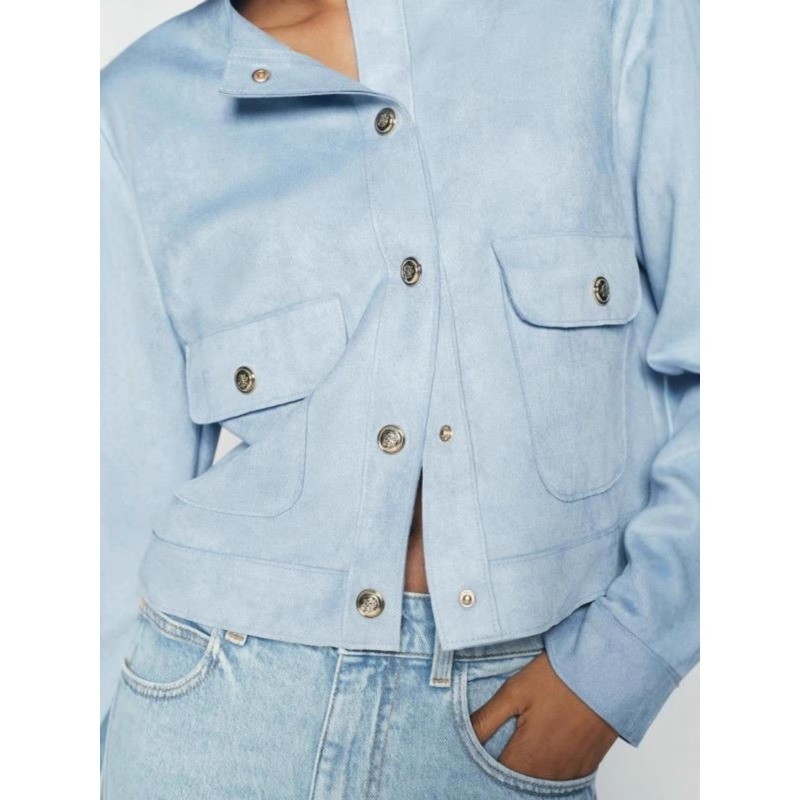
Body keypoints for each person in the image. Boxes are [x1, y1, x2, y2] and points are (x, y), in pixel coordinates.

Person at [99, 0, 699, 797]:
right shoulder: (139, 101)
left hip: (500, 715)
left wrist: (616, 668)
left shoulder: (607, 19)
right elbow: (110, 499)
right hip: (205, 712)